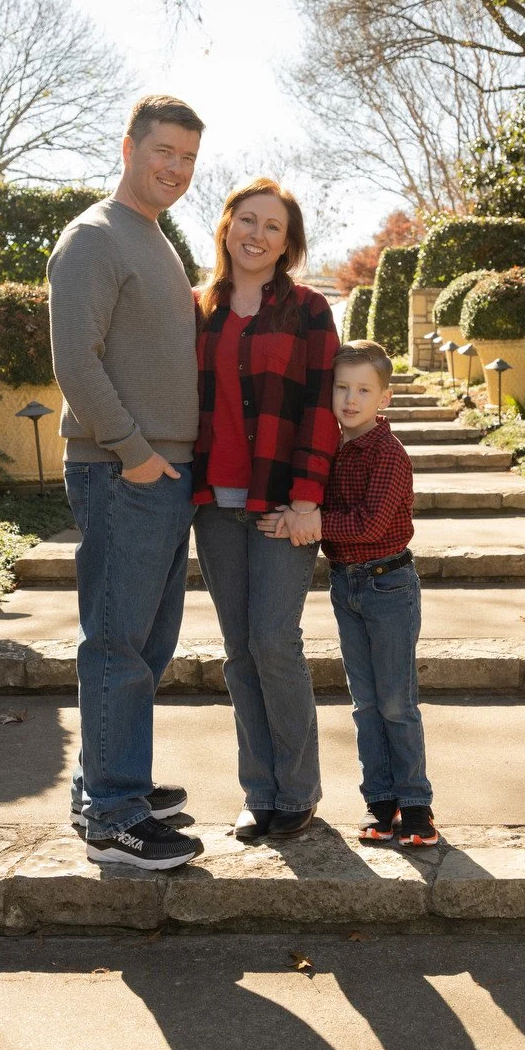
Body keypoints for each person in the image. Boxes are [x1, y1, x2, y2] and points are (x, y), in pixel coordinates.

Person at [47, 95, 207, 870]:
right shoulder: (93, 238)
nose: (174, 169)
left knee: (145, 642)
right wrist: (135, 453)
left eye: (187, 159)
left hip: (160, 471)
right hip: (123, 470)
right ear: (129, 147)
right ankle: (114, 816)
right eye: (163, 152)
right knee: (117, 642)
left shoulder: (155, 239)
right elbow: (76, 361)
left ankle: (109, 787)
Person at [190, 180, 341, 841]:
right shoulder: (197, 308)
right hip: (212, 505)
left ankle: (298, 789)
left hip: (281, 504)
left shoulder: (308, 311)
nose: (256, 234)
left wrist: (309, 495)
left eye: (272, 227)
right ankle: (260, 792)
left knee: (273, 641)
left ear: (289, 243)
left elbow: (322, 406)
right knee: (238, 651)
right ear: (226, 227)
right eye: (246, 220)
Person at [265, 339, 435, 847]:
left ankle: (417, 804)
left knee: (396, 702)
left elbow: (371, 522)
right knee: (364, 703)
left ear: (384, 397)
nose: (351, 399)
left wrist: (310, 522)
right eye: (341, 387)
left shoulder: (386, 452)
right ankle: (380, 803)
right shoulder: (330, 449)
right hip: (348, 585)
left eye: (364, 389)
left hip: (388, 585)